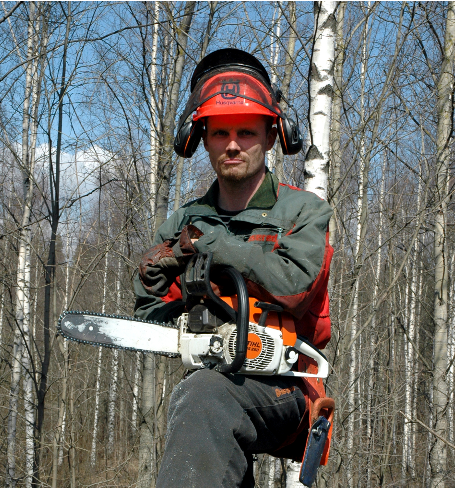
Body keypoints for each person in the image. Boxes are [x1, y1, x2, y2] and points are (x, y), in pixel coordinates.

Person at [133, 48, 333, 488]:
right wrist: (158, 282)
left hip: (288, 384)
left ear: (272, 133)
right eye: (220, 133)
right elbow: (150, 318)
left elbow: (293, 286)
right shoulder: (185, 220)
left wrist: (215, 244)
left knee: (204, 397)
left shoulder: (303, 211)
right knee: (204, 401)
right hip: (213, 379)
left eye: (246, 131)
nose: (233, 144)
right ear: (201, 138)